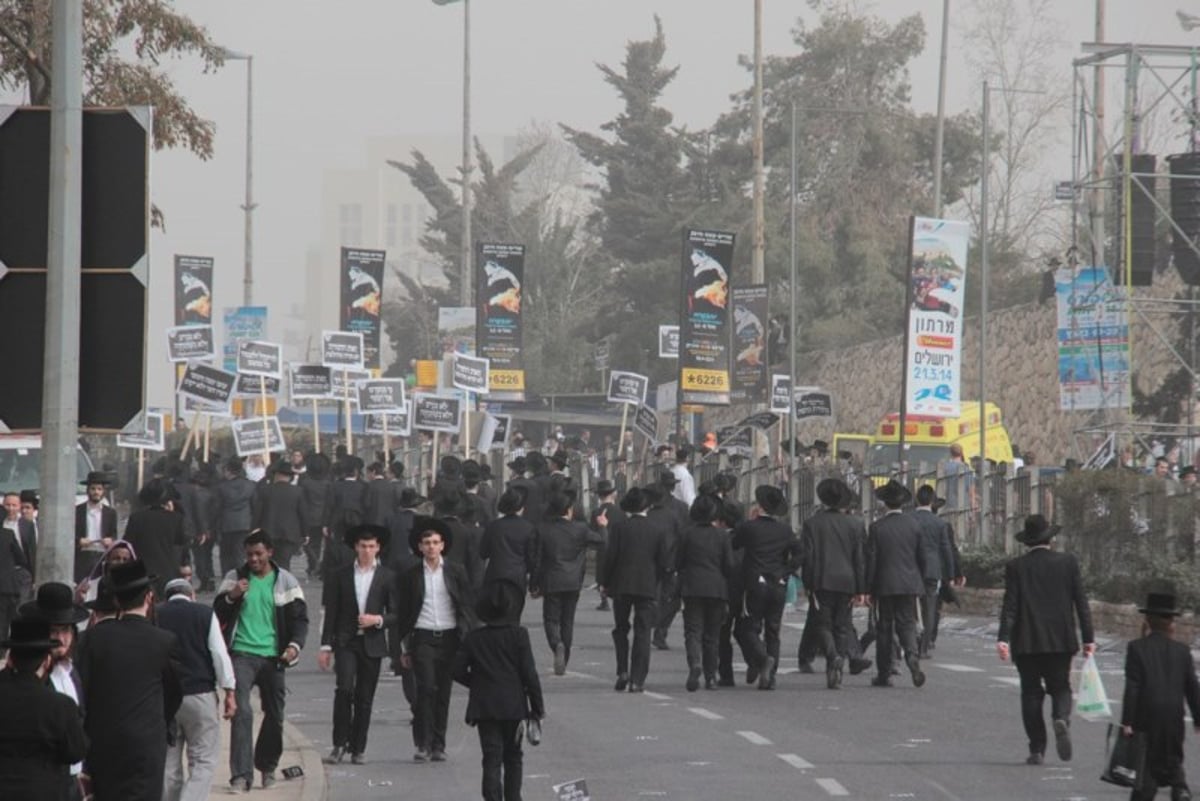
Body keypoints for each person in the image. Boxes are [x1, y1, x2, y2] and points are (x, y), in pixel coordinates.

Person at [76, 559, 183, 801]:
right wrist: (156, 721)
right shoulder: (164, 641)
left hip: (102, 742)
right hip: (146, 743)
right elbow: (174, 693)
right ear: (149, 597)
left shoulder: (93, 639)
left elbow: (83, 691)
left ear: (115, 601)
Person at [215, 529, 309, 792]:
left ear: (270, 552)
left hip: (273, 658)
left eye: (258, 554)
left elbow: (300, 619)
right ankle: (241, 776)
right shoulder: (235, 577)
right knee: (242, 713)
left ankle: (267, 766)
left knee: (275, 714)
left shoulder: (286, 581)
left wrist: (293, 646)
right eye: (249, 555)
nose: (253, 559)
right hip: (242, 655)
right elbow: (217, 613)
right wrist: (231, 596)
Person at [997, 514, 1095, 765]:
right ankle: (1060, 717)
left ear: (1027, 541)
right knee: (1061, 687)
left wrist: (1003, 638)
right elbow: (1081, 603)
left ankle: (1037, 748)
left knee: (1030, 693)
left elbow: (1010, 605)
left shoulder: (1016, 567)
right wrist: (1088, 638)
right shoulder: (1068, 563)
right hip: (1060, 640)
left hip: (1026, 640)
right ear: (1050, 538)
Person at [452, 580, 545, 801]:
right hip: (513, 704)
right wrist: (537, 709)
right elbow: (529, 674)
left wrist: (476, 682)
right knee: (513, 756)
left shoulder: (474, 638)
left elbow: (455, 670)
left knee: (491, 757)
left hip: (484, 705)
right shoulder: (519, 635)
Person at [395, 516, 477, 763]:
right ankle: (422, 742)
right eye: (426, 542)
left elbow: (466, 605)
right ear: (419, 547)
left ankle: (438, 745)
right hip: (422, 637)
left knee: (443, 692)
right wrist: (402, 646)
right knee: (425, 689)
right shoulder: (410, 575)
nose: (431, 547)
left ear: (443, 546)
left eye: (435, 542)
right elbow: (403, 611)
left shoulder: (456, 571)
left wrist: (466, 633)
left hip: (450, 638)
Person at [318, 524, 396, 765]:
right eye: (363, 546)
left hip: (372, 643)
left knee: (364, 697)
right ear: (355, 547)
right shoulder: (340, 575)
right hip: (346, 641)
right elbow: (330, 611)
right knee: (344, 689)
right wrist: (325, 646)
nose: (367, 551)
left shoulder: (387, 576)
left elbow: (396, 613)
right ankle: (339, 744)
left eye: (371, 547)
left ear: (378, 548)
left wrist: (378, 620)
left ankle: (358, 747)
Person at [155, 577, 236, 801]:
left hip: (164, 698)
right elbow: (219, 654)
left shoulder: (154, 614)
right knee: (203, 760)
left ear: (166, 596)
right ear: (192, 595)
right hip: (200, 696)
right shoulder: (204, 613)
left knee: (168, 762)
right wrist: (229, 691)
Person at [1121, 591, 1200, 800]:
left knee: (1146, 762)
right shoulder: (1182, 651)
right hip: (1174, 716)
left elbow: (1133, 687)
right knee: (1172, 757)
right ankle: (1180, 789)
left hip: (1146, 716)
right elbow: (1192, 687)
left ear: (1147, 620)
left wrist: (1127, 721)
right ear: (1171, 623)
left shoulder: (1136, 648)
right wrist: (1198, 719)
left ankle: (1146, 793)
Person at [0, 616, 88, 801]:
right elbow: (76, 751)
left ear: (11, 660)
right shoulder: (60, 705)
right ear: (46, 661)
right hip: (45, 791)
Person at [19, 581, 89, 798]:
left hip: (70, 780)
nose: (61, 638)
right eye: (53, 631)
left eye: (65, 630)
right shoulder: (31, 678)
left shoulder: (71, 672)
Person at [599, 487, 668, 693]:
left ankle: (622, 671)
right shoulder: (657, 529)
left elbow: (610, 557)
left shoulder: (619, 528)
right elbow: (663, 561)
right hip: (647, 586)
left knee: (621, 628)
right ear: (647, 506)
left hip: (621, 585)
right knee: (643, 631)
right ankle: (638, 678)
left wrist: (605, 582)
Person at [799, 478, 867, 690]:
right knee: (842, 626)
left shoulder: (812, 524)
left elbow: (807, 557)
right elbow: (860, 559)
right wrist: (862, 588)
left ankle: (832, 656)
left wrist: (808, 583)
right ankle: (835, 668)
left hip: (821, 580)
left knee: (822, 624)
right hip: (847, 581)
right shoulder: (856, 524)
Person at [732, 485, 800, 690]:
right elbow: (800, 553)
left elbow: (735, 544)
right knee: (773, 630)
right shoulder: (785, 530)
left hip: (755, 582)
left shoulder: (749, 527)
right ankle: (770, 676)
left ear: (759, 506)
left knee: (748, 628)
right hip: (778, 584)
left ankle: (762, 659)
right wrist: (785, 572)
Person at [531, 490, 602, 675]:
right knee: (567, 620)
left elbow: (537, 560)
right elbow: (601, 541)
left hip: (552, 580)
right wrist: (603, 526)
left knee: (551, 619)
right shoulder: (580, 529)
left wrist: (533, 584)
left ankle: (557, 644)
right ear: (569, 510)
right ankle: (565, 656)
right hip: (573, 581)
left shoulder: (543, 529)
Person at [865, 479, 927, 689]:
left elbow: (871, 560)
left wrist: (868, 588)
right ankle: (912, 656)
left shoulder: (876, 527)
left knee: (885, 627)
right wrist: (921, 581)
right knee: (907, 623)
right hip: (909, 583)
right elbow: (922, 558)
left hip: (884, 584)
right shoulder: (914, 526)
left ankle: (884, 672)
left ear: (884, 503)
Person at [676, 493, 733, 691]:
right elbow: (729, 565)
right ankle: (711, 676)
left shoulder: (686, 534)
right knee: (712, 635)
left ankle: (695, 663)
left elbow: (677, 561)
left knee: (693, 631)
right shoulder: (722, 536)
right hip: (716, 588)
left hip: (692, 587)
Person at [909, 484, 957, 658]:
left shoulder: (909, 519)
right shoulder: (940, 523)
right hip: (932, 570)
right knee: (929, 609)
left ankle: (912, 642)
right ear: (932, 501)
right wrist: (950, 575)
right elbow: (946, 549)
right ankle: (924, 647)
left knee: (911, 607)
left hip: (911, 569)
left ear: (916, 499)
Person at [123, 478, 190, 598]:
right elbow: (182, 546)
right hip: (169, 572)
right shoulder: (176, 519)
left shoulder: (136, 518)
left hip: (141, 574)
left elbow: (127, 545)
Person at [480, 487, 538, 619]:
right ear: (521, 508)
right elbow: (532, 557)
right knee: (514, 615)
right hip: (517, 577)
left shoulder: (493, 526)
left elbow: (483, 552)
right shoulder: (529, 528)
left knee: (494, 616)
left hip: (495, 574)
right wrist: (533, 580)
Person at [252, 460, 306, 570]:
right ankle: (282, 584)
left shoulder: (265, 491)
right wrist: (305, 533)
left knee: (268, 562)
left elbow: (257, 513)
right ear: (290, 477)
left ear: (276, 474)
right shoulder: (298, 492)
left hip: (268, 532)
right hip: (289, 534)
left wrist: (253, 530)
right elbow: (303, 514)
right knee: (284, 562)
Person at [214, 457, 257, 576]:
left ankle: (228, 578)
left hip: (226, 523)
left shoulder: (221, 487)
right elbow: (254, 506)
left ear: (228, 470)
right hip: (244, 523)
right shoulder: (250, 485)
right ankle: (241, 577)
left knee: (226, 554)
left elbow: (217, 507)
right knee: (239, 553)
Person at [75, 471, 117, 583]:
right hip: (83, 555)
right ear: (88, 490)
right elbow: (70, 536)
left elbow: (114, 534)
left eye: (99, 489)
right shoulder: (78, 511)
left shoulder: (110, 513)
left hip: (102, 555)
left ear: (103, 491)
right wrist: (79, 541)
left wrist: (111, 540)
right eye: (93, 489)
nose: (96, 492)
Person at [589, 479, 623, 612]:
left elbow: (592, 531)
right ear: (612, 494)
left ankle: (604, 600)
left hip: (602, 546)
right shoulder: (620, 512)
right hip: (617, 545)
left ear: (599, 495)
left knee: (601, 572)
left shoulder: (596, 512)